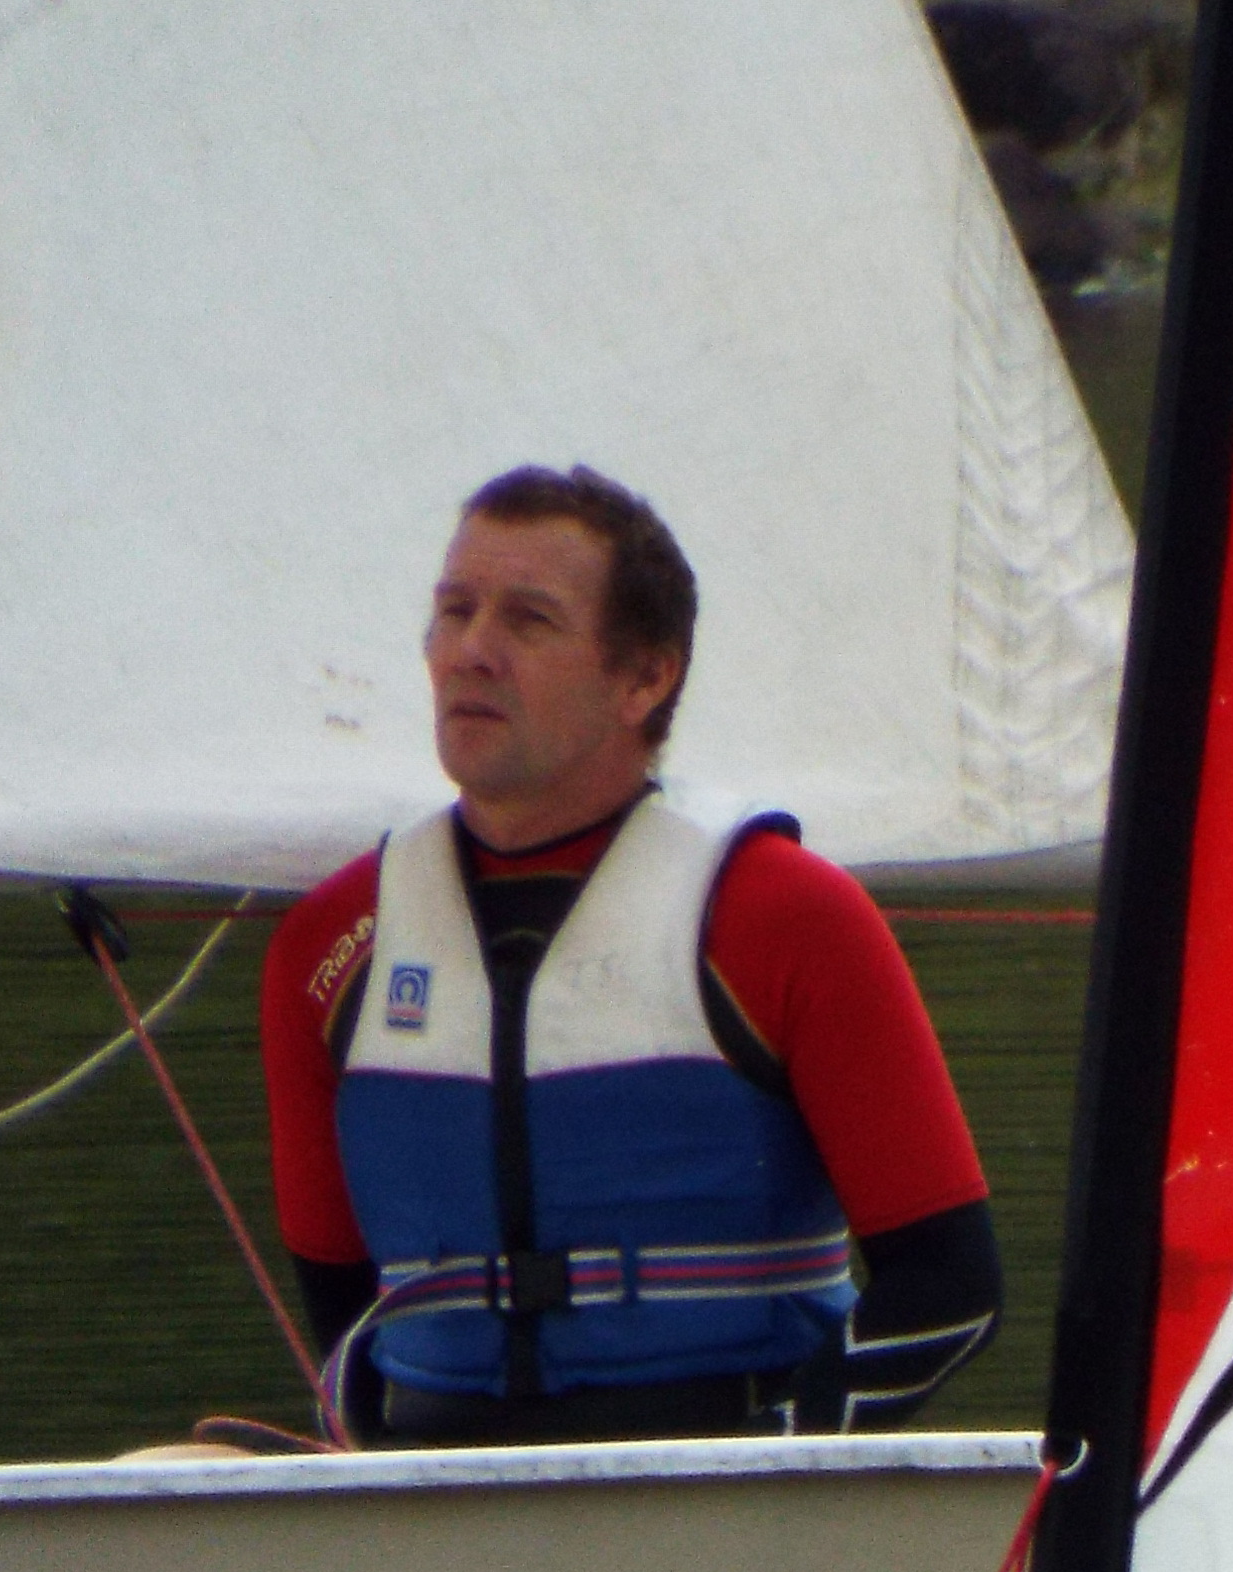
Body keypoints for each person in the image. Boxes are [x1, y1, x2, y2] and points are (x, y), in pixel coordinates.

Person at [258, 465, 1002, 1442]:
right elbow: (341, 1313)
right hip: (439, 1496)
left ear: (645, 678)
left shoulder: (789, 917)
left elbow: (951, 1289)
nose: (471, 652)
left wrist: (761, 1469)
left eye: (529, 620)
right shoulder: (326, 948)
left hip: (726, 1486)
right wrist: (386, 1483)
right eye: (454, 611)